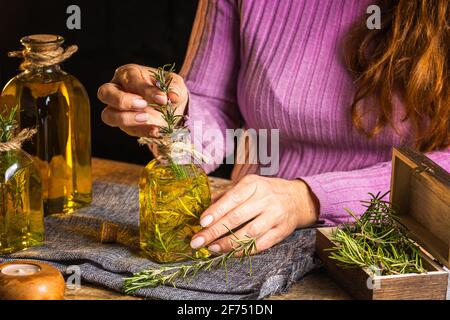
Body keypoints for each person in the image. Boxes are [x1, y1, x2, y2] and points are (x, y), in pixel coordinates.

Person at [97, 0, 450, 255]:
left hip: (399, 245)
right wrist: (174, 115)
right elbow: (217, 106)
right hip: (249, 235)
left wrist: (307, 198)